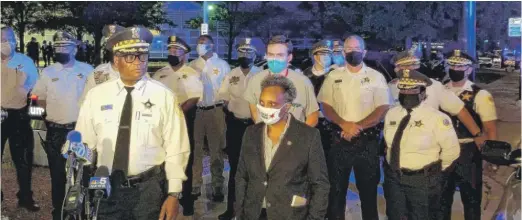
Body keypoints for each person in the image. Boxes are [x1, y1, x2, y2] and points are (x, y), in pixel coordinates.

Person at [75, 26, 190, 220]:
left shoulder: (164, 96)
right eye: (130, 57)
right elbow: (85, 142)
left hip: (148, 189)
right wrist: (79, 168)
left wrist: (174, 194)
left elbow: (177, 147)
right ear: (117, 60)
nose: (138, 62)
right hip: (106, 188)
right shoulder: (97, 96)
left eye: (142, 56)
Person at [235, 75, 329, 220]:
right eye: (262, 102)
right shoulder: (251, 133)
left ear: (288, 107)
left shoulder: (308, 136)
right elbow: (242, 176)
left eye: (272, 104)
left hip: (289, 214)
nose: (265, 108)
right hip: (253, 212)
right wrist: (240, 212)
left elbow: (320, 184)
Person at [318, 35, 391, 220]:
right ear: (343, 52)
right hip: (338, 139)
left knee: (368, 193)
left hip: (367, 141)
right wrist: (344, 124)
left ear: (364, 52)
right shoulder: (333, 76)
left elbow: (382, 108)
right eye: (349, 49)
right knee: (336, 193)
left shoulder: (376, 77)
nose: (353, 52)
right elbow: (325, 106)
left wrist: (357, 126)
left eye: (357, 48)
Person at [31, 31, 93, 220]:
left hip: (82, 132)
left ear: (75, 49)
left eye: (65, 47)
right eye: (58, 47)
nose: (61, 50)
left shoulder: (88, 70)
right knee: (57, 177)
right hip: (55, 131)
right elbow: (37, 98)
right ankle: (58, 213)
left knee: (83, 176)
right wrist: (41, 122)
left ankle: (83, 213)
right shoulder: (47, 72)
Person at [383, 69, 460, 220]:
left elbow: (452, 151)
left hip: (422, 181)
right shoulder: (392, 114)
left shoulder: (437, 118)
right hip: (394, 178)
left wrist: (434, 172)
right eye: (403, 89)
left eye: (412, 90)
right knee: (394, 215)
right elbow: (389, 144)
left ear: (423, 93)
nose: (406, 94)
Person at [440, 50, 498, 220]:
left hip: (469, 152)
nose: (455, 68)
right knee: (442, 201)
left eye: (460, 65)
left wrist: (492, 158)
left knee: (471, 201)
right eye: (452, 65)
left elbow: (491, 129)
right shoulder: (439, 91)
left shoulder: (480, 95)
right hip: (443, 152)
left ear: (469, 69)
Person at [388, 50, 488, 147]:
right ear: (396, 69)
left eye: (415, 64)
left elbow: (459, 109)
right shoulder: (390, 88)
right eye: (406, 65)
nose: (411, 68)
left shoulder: (434, 86)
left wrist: (478, 134)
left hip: (429, 144)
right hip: (400, 143)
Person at [152, 35, 203, 219]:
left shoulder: (191, 73)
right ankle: (163, 196)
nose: (173, 53)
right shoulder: (160, 73)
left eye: (177, 50)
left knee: (183, 159)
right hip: (161, 123)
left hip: (184, 120)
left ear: (184, 54)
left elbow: (194, 97)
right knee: (161, 159)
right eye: (171, 50)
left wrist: (176, 114)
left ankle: (186, 200)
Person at [216, 38, 261, 220]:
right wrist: (232, 109)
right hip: (235, 126)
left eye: (249, 52)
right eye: (242, 52)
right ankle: (232, 209)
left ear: (255, 55)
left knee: (255, 169)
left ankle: (254, 210)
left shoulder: (262, 75)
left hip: (255, 126)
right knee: (235, 169)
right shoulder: (232, 74)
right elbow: (224, 96)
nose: (245, 56)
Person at [0, 26, 40, 211]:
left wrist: (34, 112)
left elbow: (36, 90)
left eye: (9, 39)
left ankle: (25, 197)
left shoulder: (26, 62)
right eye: (2, 40)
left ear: (15, 40)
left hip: (19, 116)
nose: (6, 43)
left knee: (23, 160)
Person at [188, 34, 231, 201]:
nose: (200, 46)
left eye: (204, 43)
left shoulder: (222, 65)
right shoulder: (192, 65)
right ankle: (195, 185)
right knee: (196, 149)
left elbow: (227, 90)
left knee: (216, 150)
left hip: (216, 111)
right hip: (197, 112)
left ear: (212, 45)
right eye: (198, 43)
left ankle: (217, 186)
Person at [244, 35, 319, 127]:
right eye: (271, 55)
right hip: (264, 137)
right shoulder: (255, 80)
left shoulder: (303, 82)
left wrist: (300, 137)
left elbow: (313, 115)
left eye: (280, 55)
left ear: (289, 57)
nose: (274, 59)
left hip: (295, 138)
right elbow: (254, 111)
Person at [79, 24, 125, 105]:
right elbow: (85, 104)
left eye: (117, 44)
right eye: (110, 45)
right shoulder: (98, 73)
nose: (113, 49)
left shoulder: (137, 70)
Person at [302, 40, 334, 157]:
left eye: (328, 54)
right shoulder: (305, 75)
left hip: (330, 123)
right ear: (315, 56)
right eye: (323, 54)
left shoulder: (335, 74)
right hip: (309, 120)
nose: (327, 57)